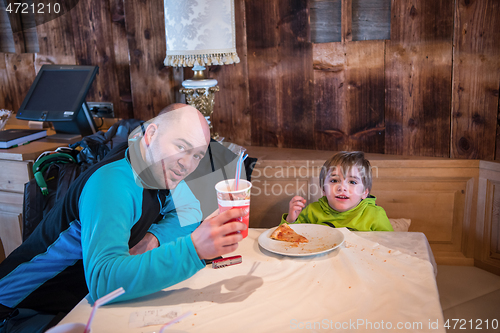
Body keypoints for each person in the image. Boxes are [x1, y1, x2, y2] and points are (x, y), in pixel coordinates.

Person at [0, 104, 248, 333]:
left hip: (79, 302)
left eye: (197, 155)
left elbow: (190, 214)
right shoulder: (112, 184)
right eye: (181, 146)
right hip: (21, 311)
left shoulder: (158, 166)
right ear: (151, 135)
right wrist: (193, 250)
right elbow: (104, 282)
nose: (186, 164)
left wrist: (153, 239)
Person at [282, 151, 393, 231]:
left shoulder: (375, 215)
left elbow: (390, 245)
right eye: (334, 180)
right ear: (323, 189)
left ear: (365, 192)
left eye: (352, 182)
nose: (342, 187)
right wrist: (291, 220)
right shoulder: (311, 212)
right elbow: (288, 238)